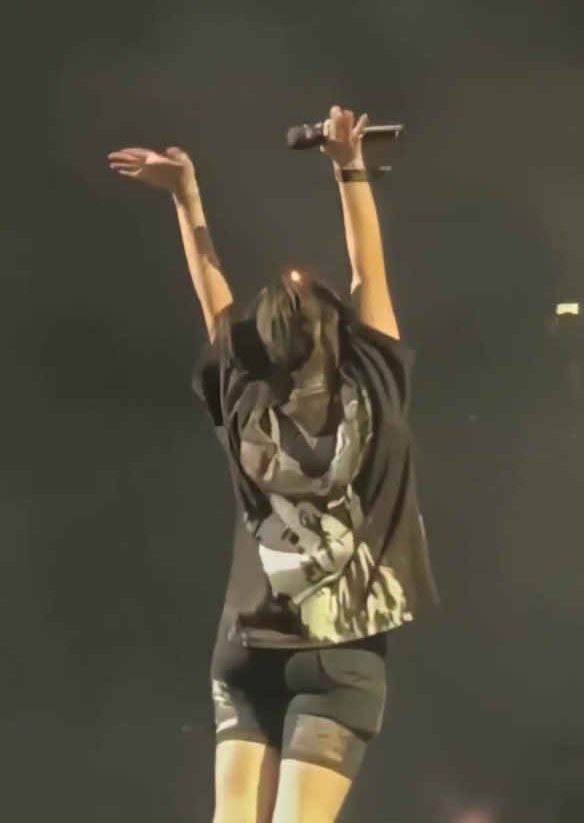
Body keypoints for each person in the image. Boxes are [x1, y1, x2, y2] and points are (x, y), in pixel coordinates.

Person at [107, 106, 439, 823]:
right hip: (341, 656)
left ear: (257, 345)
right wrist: (349, 166)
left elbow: (214, 300)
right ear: (342, 333)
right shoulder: (375, 386)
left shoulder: (242, 392)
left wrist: (186, 195)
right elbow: (368, 272)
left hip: (245, 647)